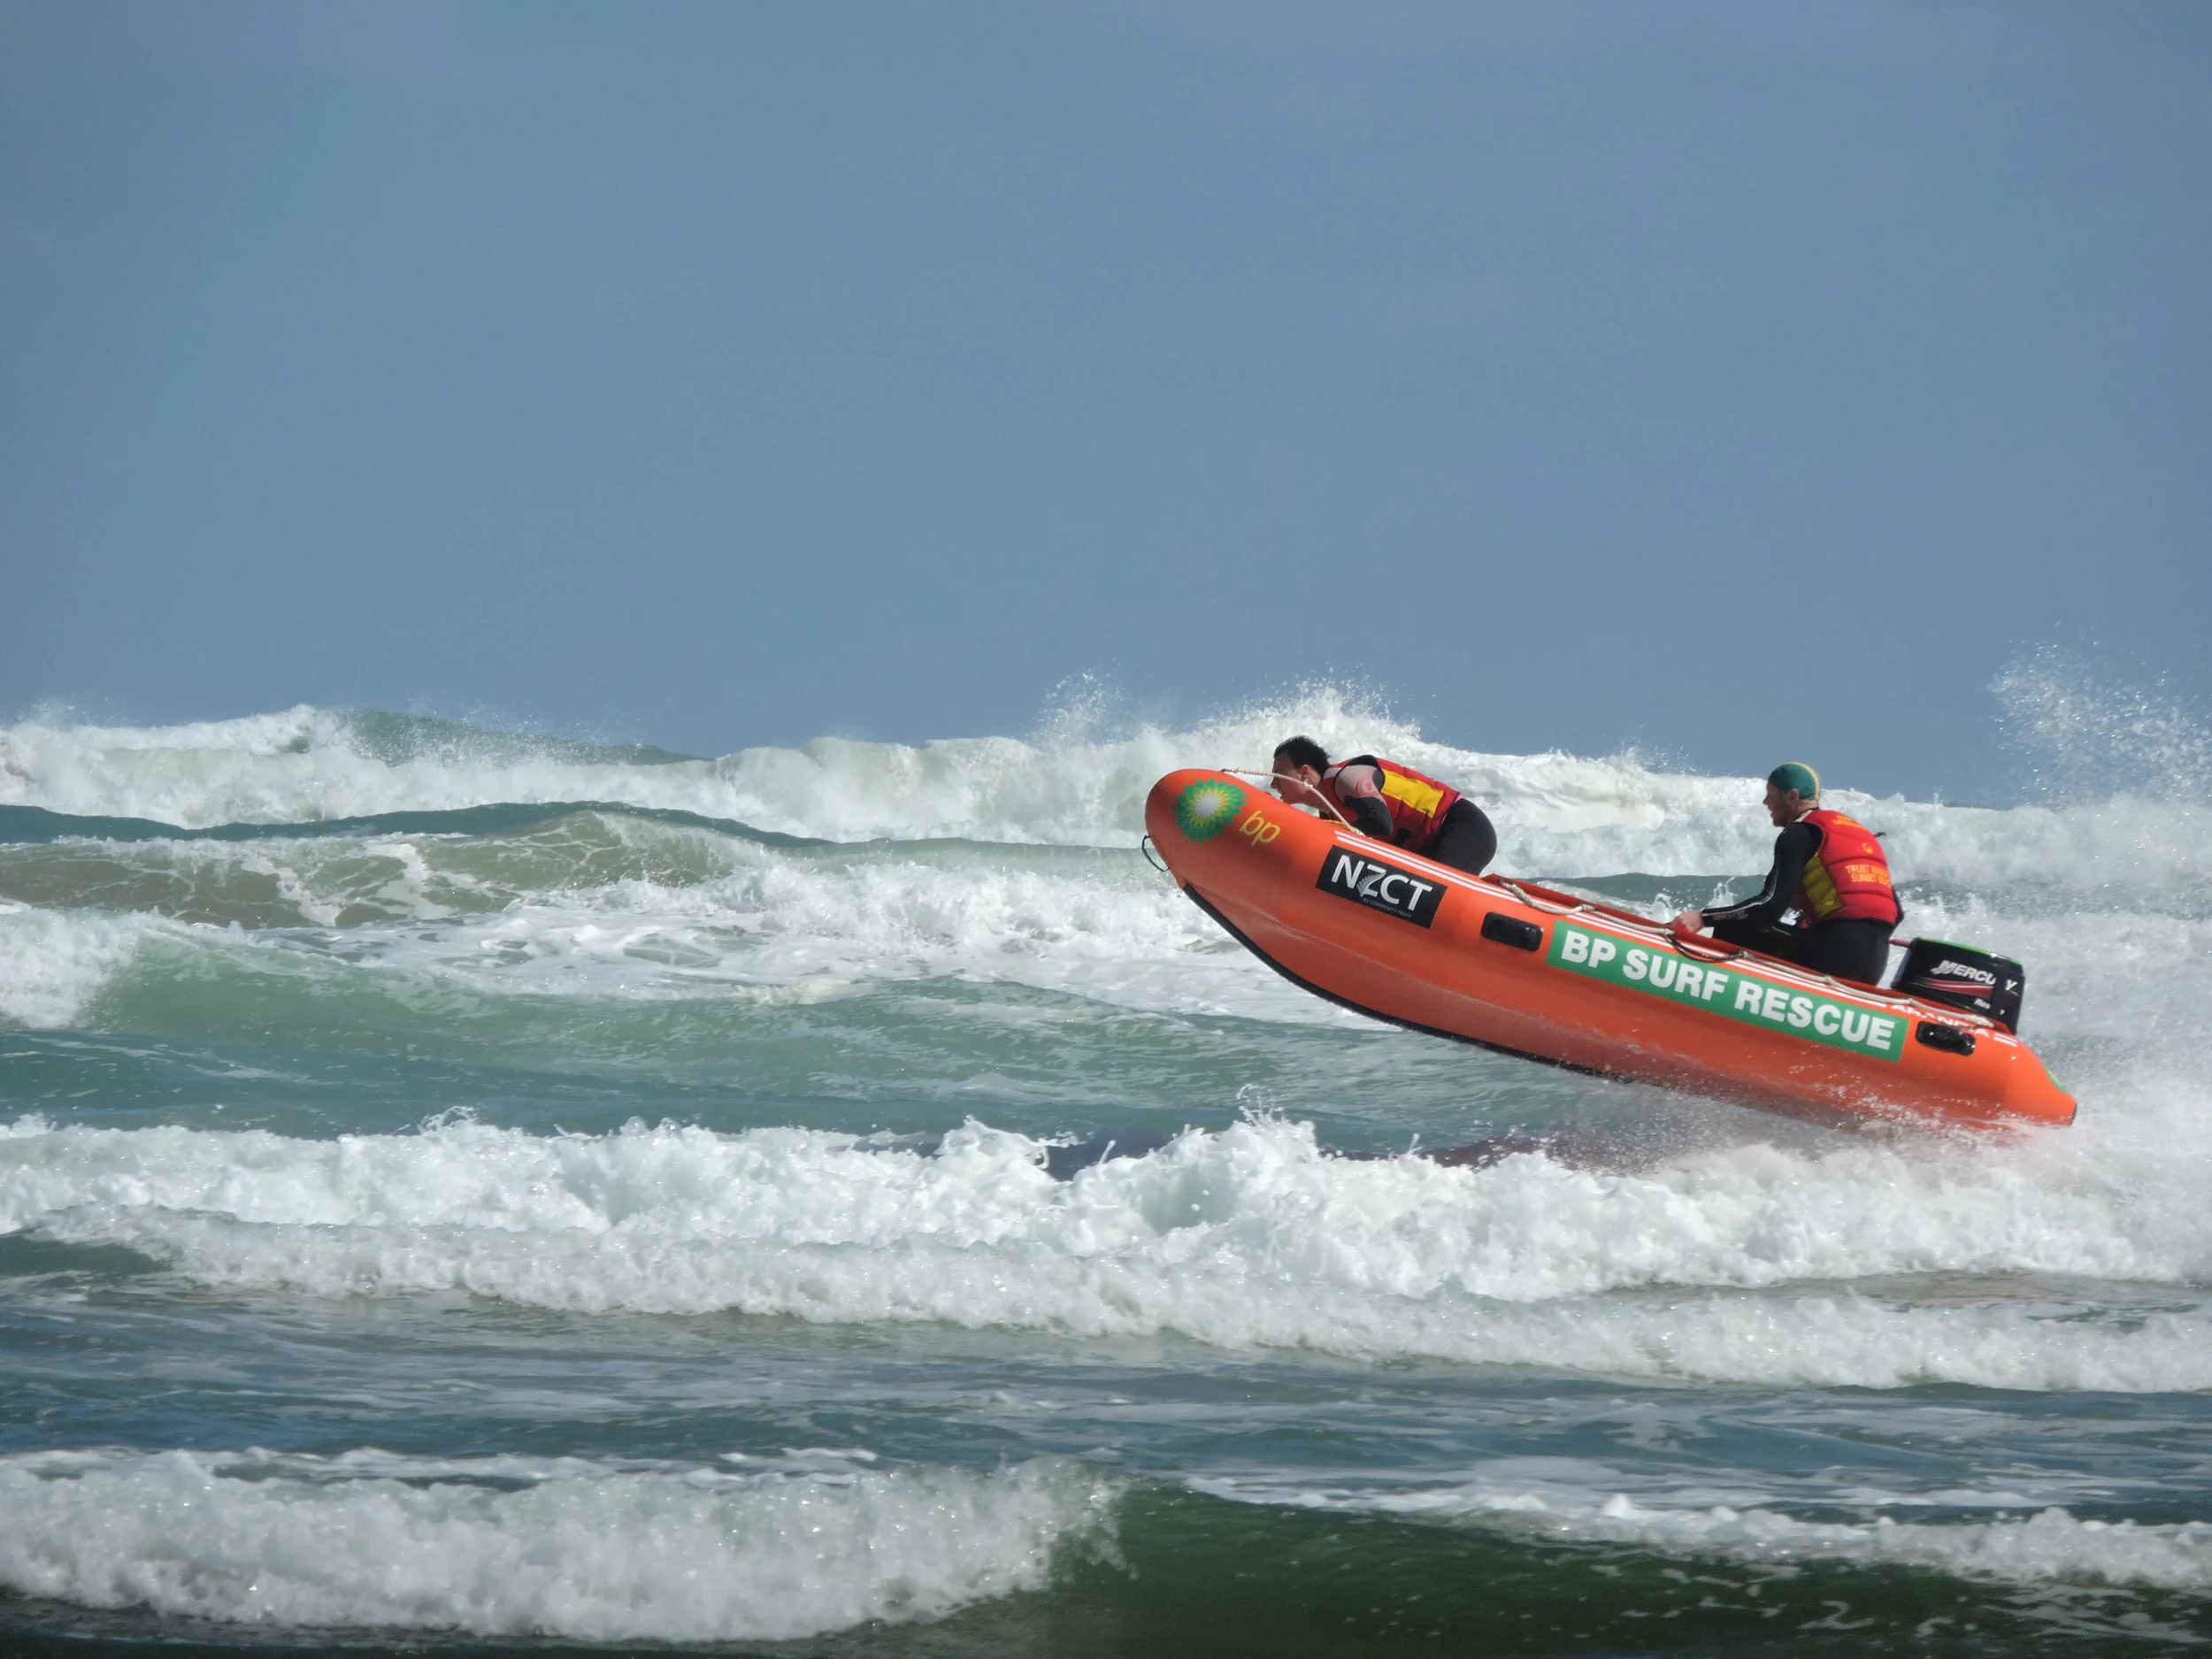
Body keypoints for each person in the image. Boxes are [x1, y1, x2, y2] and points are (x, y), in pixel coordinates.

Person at [1669, 762, 1899, 985]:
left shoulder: (1799, 834)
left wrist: (1704, 917)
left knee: (1732, 928)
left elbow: (1768, 908)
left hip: (1832, 958)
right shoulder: (1858, 836)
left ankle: (1717, 1004)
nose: (1766, 802)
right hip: (1873, 967)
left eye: (1771, 794)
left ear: (1792, 797)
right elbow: (1894, 912)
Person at [1270, 736, 1497, 874]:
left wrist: (1322, 832)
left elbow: (1380, 822)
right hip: (1428, 847)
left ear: (1305, 772)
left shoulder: (1346, 778)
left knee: (1441, 897)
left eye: (1279, 774)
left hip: (1461, 827)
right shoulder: (1330, 814)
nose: (1273, 783)